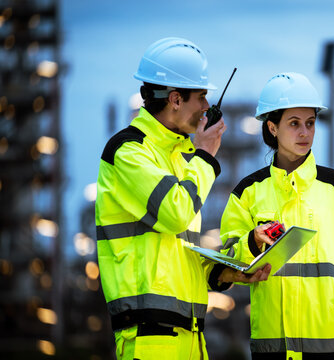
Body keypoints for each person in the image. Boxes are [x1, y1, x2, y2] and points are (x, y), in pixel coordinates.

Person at [95, 37, 270, 360]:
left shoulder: (178, 158)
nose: (206, 107)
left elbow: (177, 253)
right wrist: (205, 156)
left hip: (190, 337)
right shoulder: (129, 152)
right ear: (175, 99)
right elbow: (175, 213)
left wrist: (226, 272)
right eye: (201, 96)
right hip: (150, 340)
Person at [220, 72, 334, 360]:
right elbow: (227, 261)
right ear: (272, 128)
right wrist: (252, 242)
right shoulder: (247, 193)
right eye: (294, 124)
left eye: (310, 123)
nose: (304, 133)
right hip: (277, 349)